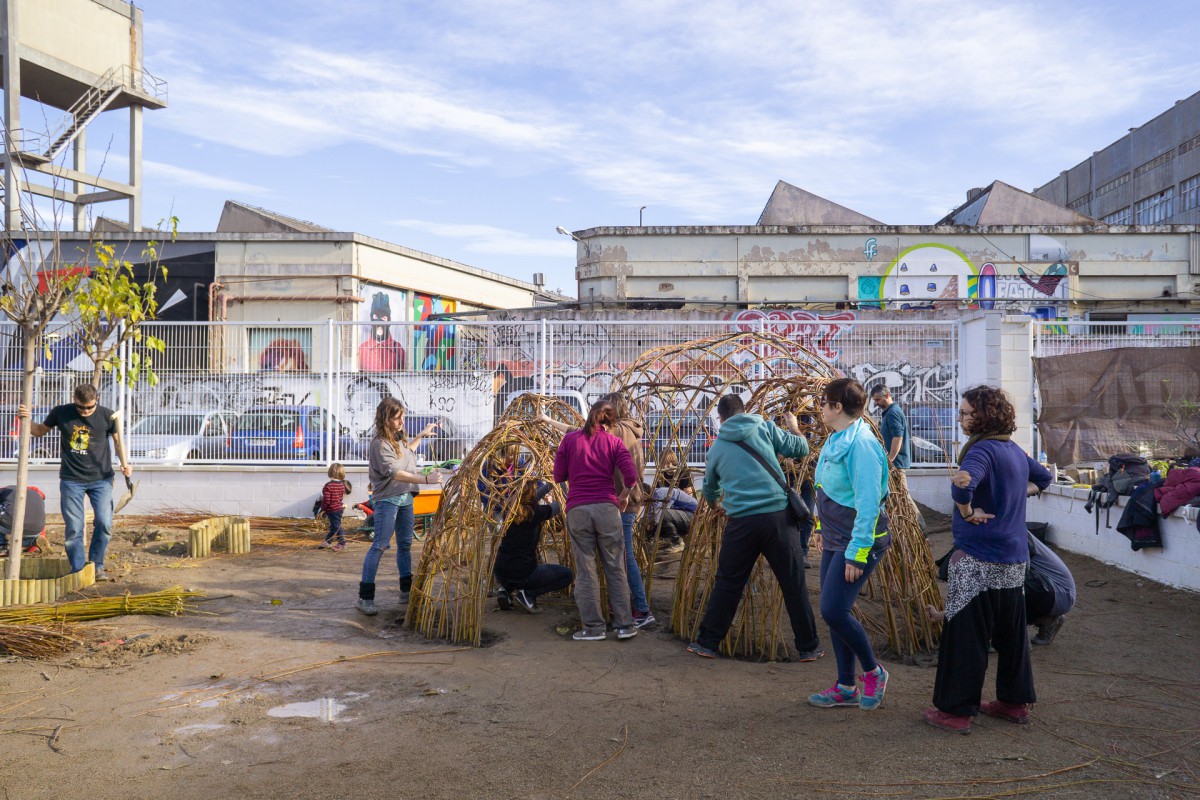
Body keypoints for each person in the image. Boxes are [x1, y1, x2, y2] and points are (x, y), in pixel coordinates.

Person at [923, 385, 1053, 734]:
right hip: (1013, 559)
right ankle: (1013, 703)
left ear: (983, 416)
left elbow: (962, 486)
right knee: (1011, 635)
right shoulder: (1012, 450)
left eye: (966, 413)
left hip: (978, 558)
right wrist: (1012, 497)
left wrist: (967, 512)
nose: (961, 418)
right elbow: (1044, 478)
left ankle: (954, 711)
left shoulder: (979, 451)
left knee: (965, 634)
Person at [686, 394, 822, 661]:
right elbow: (801, 448)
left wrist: (715, 505)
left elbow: (711, 488)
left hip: (741, 523)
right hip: (778, 520)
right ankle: (808, 647)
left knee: (728, 584)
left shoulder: (716, 449)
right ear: (744, 410)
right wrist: (794, 426)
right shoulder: (765, 427)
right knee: (793, 584)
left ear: (721, 418)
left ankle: (708, 643)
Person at [807, 378, 892, 710]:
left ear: (837, 407)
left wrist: (857, 554)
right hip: (836, 536)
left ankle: (873, 672)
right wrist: (818, 527)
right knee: (833, 612)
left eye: (824, 402)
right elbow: (825, 486)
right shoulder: (837, 439)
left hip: (860, 540)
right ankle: (845, 686)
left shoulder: (862, 446)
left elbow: (869, 504)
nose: (820, 407)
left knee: (833, 609)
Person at [543, 393, 655, 629]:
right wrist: (624, 495)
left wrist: (549, 422)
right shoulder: (626, 433)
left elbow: (561, 469)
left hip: (590, 505)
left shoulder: (614, 432)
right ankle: (624, 621)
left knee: (596, 566)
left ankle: (621, 617)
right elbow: (631, 475)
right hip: (613, 503)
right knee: (616, 563)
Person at [20, 385, 132, 580]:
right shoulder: (61, 413)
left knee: (104, 523)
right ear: (75, 400)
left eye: (90, 407)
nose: (86, 412)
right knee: (74, 527)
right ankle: (78, 570)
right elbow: (38, 431)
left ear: (96, 399)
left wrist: (125, 464)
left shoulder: (108, 416)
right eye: (81, 408)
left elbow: (117, 442)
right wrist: (25, 418)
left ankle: (97, 566)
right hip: (72, 480)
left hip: (102, 479)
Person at [357, 397, 441, 616]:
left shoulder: (397, 439)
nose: (402, 421)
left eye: (402, 416)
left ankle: (406, 591)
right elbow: (395, 471)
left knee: (404, 544)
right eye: (397, 418)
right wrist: (426, 480)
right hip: (388, 500)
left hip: (405, 497)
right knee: (380, 545)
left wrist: (421, 435)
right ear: (386, 419)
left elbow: (406, 452)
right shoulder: (380, 444)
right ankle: (365, 597)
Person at [493, 480, 573, 614]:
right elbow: (564, 501)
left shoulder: (509, 509)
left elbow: (533, 496)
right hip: (524, 573)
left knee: (511, 570)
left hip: (501, 570)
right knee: (567, 575)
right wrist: (562, 479)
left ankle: (505, 590)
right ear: (531, 495)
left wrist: (552, 483)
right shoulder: (536, 513)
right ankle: (528, 594)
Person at [870, 384, 926, 533]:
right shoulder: (889, 412)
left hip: (896, 463)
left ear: (887, 395)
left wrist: (890, 459)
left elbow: (898, 437)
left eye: (878, 399)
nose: (876, 403)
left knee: (903, 496)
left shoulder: (893, 412)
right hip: (893, 463)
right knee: (897, 497)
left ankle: (921, 529)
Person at [1024, 530, 1075, 646]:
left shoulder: (1013, 529)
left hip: (1060, 592)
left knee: (1005, 584)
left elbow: (1019, 570)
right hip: (1052, 591)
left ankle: (1017, 638)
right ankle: (1047, 620)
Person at [0, 485, 48, 556]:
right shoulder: (36, 495)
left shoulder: (5, 491)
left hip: (11, 524)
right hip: (36, 529)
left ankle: (2, 546)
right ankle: (33, 542)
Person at [318, 463, 352, 551]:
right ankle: (327, 541)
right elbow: (340, 498)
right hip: (339, 509)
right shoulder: (341, 485)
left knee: (337, 527)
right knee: (334, 526)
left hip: (332, 510)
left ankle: (342, 543)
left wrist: (322, 509)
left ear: (330, 472)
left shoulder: (328, 486)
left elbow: (326, 500)